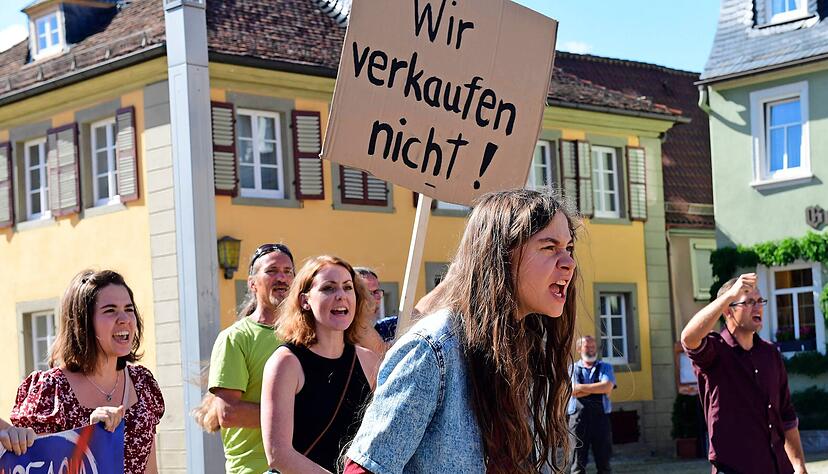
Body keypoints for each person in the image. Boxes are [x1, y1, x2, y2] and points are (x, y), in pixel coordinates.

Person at [345, 188, 580, 474]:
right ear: (501, 255)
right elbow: (366, 468)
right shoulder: (432, 349)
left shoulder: (530, 348)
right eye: (549, 247)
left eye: (568, 248)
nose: (569, 263)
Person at [10, 270, 165, 474]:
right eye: (110, 310)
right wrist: (90, 437)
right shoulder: (50, 392)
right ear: (83, 322)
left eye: (129, 309)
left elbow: (150, 469)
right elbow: (38, 466)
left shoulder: (142, 383)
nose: (124, 318)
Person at [261, 255, 381, 473]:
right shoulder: (286, 363)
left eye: (347, 287)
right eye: (328, 288)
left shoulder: (368, 361)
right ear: (305, 300)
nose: (341, 296)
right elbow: (278, 454)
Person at [680, 273, 808, 474]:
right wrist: (730, 295)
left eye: (759, 301)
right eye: (748, 302)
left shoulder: (770, 354)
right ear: (728, 311)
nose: (757, 307)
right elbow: (688, 338)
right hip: (734, 468)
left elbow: (786, 414)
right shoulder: (714, 351)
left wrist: (799, 464)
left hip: (777, 468)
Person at [195, 243, 295, 474]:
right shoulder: (235, 338)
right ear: (252, 283)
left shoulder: (307, 336)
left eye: (288, 271)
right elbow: (229, 413)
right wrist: (303, 413)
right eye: (271, 271)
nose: (281, 277)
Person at [568, 335, 616, 474]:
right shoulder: (572, 368)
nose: (591, 350)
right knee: (577, 465)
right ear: (578, 349)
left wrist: (581, 388)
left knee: (604, 464)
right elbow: (572, 391)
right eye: (587, 347)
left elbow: (607, 387)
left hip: (600, 421)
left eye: (593, 347)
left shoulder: (605, 367)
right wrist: (596, 389)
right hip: (577, 422)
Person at [354, 267, 397, 343]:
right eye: (367, 293)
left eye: (376, 292)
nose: (375, 299)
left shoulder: (385, 328)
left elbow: (416, 313)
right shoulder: (340, 335)